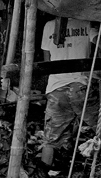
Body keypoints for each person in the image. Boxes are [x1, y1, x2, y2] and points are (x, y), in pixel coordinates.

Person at [41, 17, 98, 166]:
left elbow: (47, 61)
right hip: (80, 87)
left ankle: (43, 175)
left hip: (56, 88)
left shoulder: (49, 25)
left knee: (50, 139)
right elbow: (98, 42)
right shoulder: (87, 23)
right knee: (98, 127)